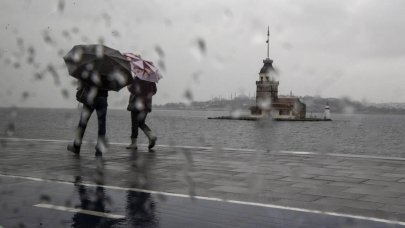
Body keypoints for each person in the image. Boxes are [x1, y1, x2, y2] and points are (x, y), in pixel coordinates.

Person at [67, 80, 109, 156]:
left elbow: (84, 80)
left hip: (90, 98)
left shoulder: (92, 68)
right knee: (102, 125)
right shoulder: (109, 70)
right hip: (103, 98)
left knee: (82, 123)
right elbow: (110, 85)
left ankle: (76, 146)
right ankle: (99, 150)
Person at [126, 77, 157, 150]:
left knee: (135, 123)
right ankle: (151, 136)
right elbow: (154, 91)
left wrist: (129, 86)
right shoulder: (151, 79)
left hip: (136, 104)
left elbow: (133, 90)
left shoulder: (137, 78)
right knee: (141, 123)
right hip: (146, 104)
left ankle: (134, 143)